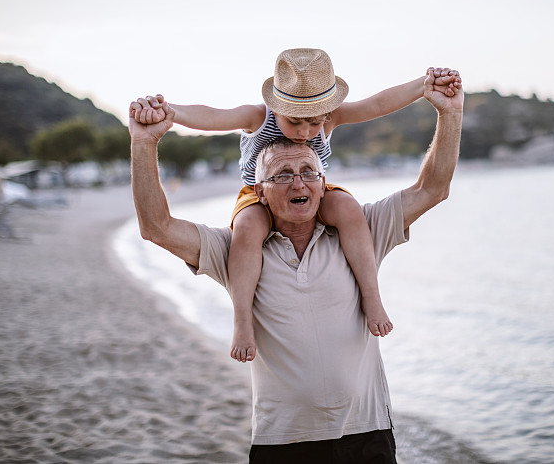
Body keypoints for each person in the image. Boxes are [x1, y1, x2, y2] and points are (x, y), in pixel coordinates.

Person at [128, 66, 464, 463]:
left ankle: (375, 299)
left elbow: (433, 187)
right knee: (250, 224)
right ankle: (241, 324)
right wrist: (148, 139)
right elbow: (157, 226)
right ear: (260, 191)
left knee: (348, 206)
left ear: (324, 183)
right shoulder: (237, 249)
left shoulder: (360, 230)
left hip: (367, 432)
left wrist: (446, 109)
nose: (298, 183)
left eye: (309, 172)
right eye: (282, 175)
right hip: (283, 441)